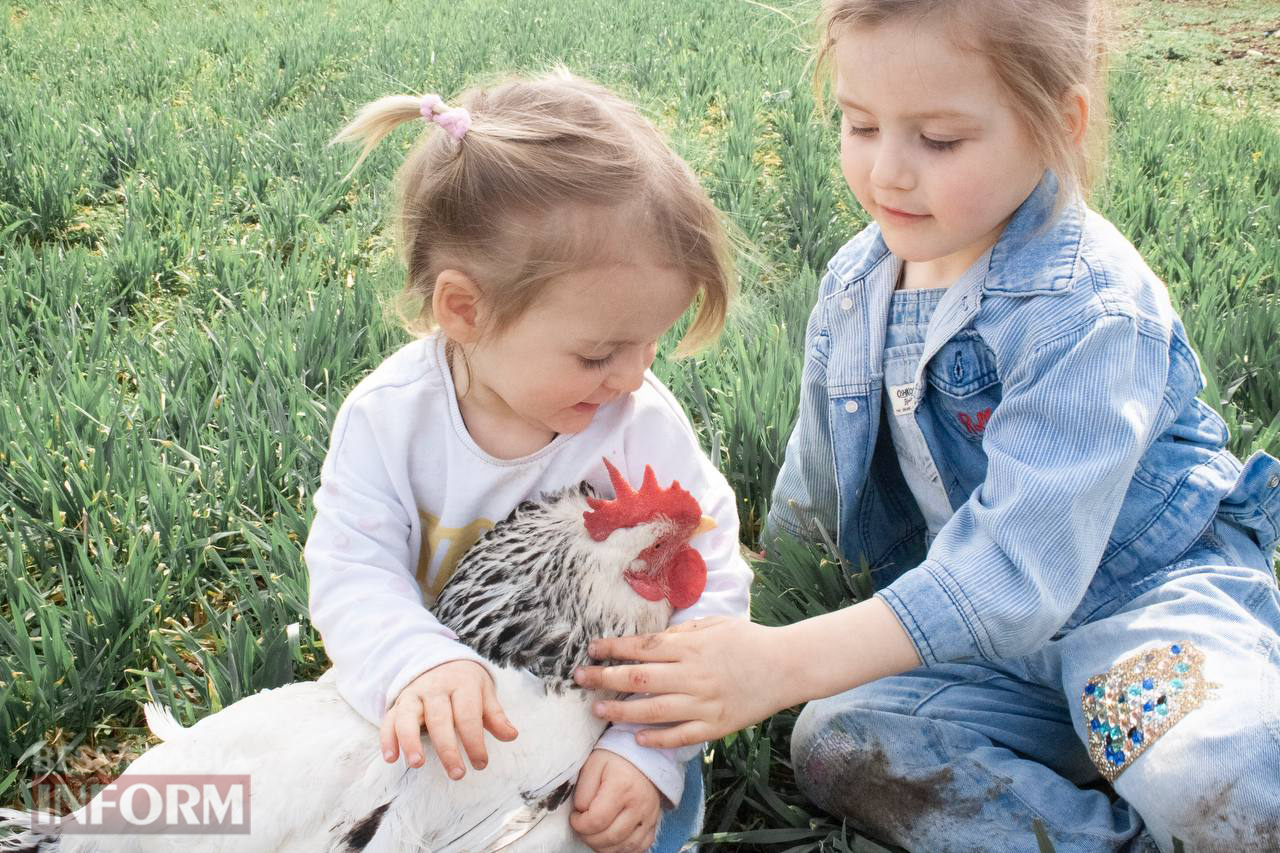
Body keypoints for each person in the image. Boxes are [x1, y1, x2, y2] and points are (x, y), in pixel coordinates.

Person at [573, 2, 1280, 850]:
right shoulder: (854, 284)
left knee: (1215, 782)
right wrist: (758, 586)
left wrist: (778, 663)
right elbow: (818, 479)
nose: (888, 174)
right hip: (992, 654)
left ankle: (1171, 770)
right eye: (859, 124)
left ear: (1059, 123)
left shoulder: (1089, 310)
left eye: (939, 140)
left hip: (1140, 616)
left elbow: (1013, 574)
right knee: (835, 740)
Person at [305, 70, 753, 853]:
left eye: (651, 342)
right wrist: (415, 662)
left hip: (593, 727)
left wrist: (645, 753)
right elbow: (352, 567)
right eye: (600, 352)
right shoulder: (390, 421)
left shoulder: (637, 422)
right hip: (441, 719)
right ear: (465, 311)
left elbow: (709, 583)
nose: (636, 374)